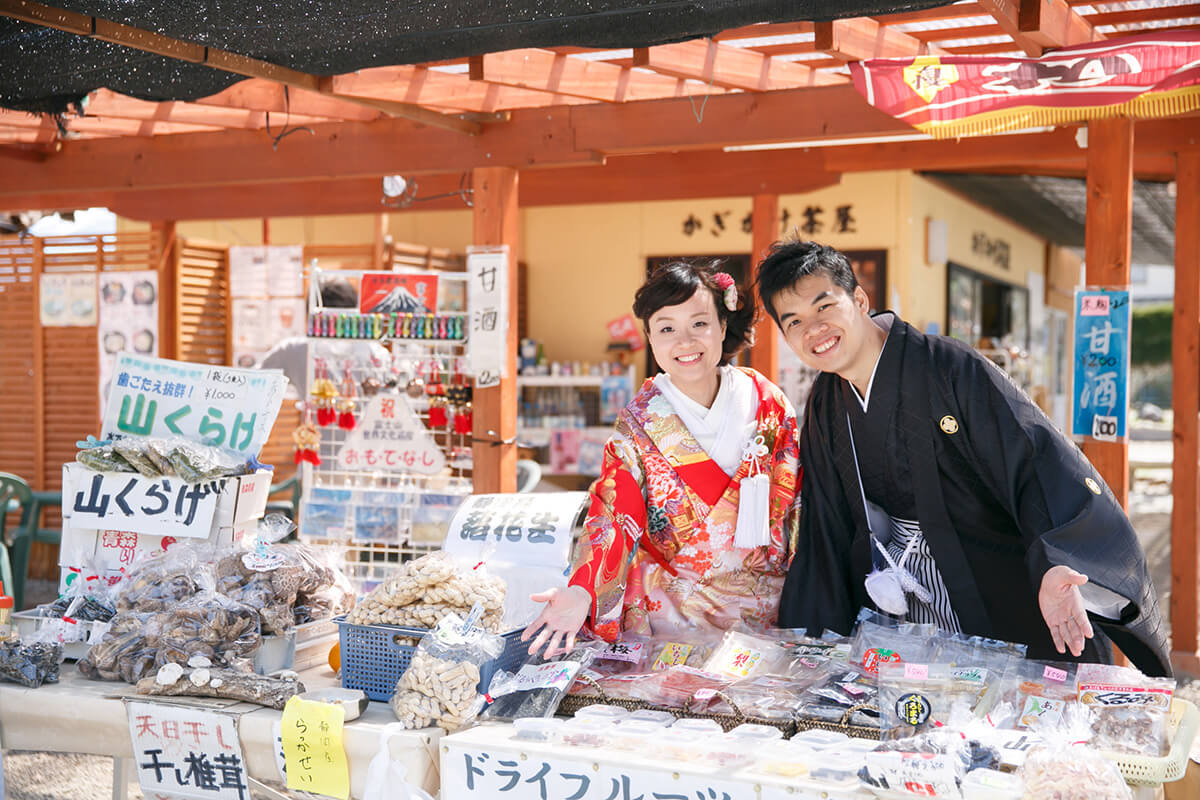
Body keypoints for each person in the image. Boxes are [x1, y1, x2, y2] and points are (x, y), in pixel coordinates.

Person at [755, 240, 1170, 676]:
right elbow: (826, 528)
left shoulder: (950, 368)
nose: (814, 329)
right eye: (795, 321)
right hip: (897, 617)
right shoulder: (825, 400)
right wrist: (811, 643)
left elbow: (1037, 466)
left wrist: (1056, 563)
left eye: (824, 307)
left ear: (859, 299)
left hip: (991, 594)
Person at [522, 261, 801, 657]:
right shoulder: (640, 420)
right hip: (671, 612)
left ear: (723, 326)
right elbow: (615, 511)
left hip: (763, 608)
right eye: (667, 328)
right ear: (651, 339)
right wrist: (582, 589)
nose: (684, 342)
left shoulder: (767, 401)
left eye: (699, 324)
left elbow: (798, 502)